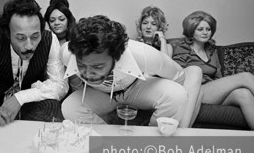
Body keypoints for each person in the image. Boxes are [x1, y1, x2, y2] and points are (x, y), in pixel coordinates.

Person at [61, 15, 195, 127]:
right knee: (69, 107)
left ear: (117, 56)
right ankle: (107, 140)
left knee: (177, 94)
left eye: (98, 66)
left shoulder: (143, 54)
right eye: (81, 65)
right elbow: (75, 81)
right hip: (101, 94)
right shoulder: (67, 54)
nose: (88, 74)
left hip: (136, 87)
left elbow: (178, 76)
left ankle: (149, 141)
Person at [0, 0, 69, 126]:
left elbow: (60, 85)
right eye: (20, 38)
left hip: (27, 103)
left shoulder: (50, 40)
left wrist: (21, 98)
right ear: (7, 33)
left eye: (35, 36)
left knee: (52, 106)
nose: (29, 46)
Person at [173, 11, 254, 130]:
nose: (205, 32)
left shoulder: (211, 50)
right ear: (191, 30)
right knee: (246, 76)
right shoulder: (182, 48)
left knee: (243, 94)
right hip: (196, 92)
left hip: (212, 92)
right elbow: (178, 76)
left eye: (208, 29)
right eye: (200, 29)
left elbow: (218, 78)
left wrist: (222, 88)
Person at [136, 6, 203, 127]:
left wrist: (162, 40)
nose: (148, 27)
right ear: (140, 26)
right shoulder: (135, 45)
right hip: (143, 86)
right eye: (145, 23)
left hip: (164, 83)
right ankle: (183, 130)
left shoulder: (167, 47)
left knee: (196, 76)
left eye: (153, 24)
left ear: (159, 27)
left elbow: (165, 68)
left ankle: (183, 130)